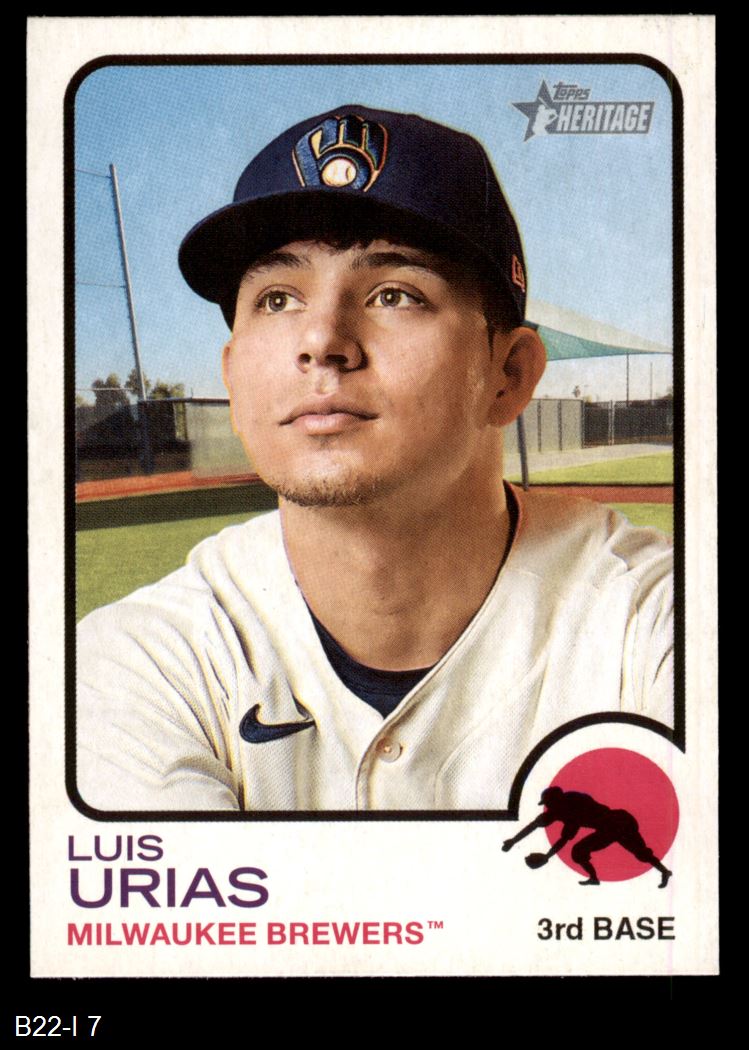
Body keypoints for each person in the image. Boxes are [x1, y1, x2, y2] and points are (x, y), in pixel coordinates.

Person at [76, 105, 673, 812]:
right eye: (277, 299)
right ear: (233, 376)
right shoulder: (140, 661)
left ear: (508, 375)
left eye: (395, 294)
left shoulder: (654, 622)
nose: (321, 340)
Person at [502, 786, 673, 887]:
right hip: (612, 826)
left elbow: (563, 839)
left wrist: (547, 856)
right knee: (579, 852)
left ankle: (664, 871)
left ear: (557, 801)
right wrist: (514, 841)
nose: (547, 807)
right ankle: (594, 879)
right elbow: (535, 824)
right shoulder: (561, 809)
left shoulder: (573, 807)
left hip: (617, 823)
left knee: (641, 853)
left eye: (549, 803)